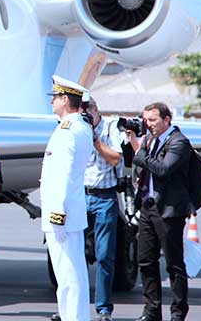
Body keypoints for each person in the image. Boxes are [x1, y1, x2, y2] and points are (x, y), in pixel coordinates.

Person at [130, 102, 191, 321]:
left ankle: (177, 314)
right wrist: (133, 144)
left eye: (153, 120)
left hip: (169, 211)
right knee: (145, 260)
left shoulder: (179, 142)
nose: (149, 124)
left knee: (174, 264)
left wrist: (140, 152)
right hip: (148, 206)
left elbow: (163, 169)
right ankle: (151, 311)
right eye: (146, 120)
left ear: (167, 120)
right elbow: (138, 163)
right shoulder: (150, 139)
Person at [41, 75, 93, 321]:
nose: (51, 101)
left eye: (55, 97)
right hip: (68, 212)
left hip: (62, 213)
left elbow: (63, 175)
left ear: (64, 99)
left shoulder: (68, 130)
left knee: (68, 276)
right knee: (72, 274)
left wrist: (57, 212)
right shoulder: (78, 127)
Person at [83, 98, 124, 321]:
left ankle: (103, 308)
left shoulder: (110, 128)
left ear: (96, 110)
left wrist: (95, 140)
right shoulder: (76, 128)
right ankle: (71, 305)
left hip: (104, 197)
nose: (86, 116)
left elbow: (116, 158)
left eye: (88, 111)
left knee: (105, 254)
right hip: (81, 195)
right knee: (73, 253)